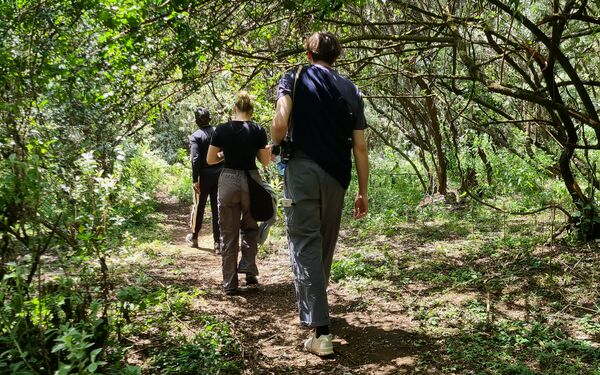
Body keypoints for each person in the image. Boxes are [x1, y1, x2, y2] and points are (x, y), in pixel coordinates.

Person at [272, 31, 369, 356]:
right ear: (336, 56)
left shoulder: (294, 76)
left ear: (308, 53)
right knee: (323, 245)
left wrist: (274, 144)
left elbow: (281, 123)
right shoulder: (351, 89)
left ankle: (321, 331)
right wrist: (363, 192)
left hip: (301, 171)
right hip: (337, 178)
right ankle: (319, 314)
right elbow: (360, 147)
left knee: (304, 242)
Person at [207, 91, 271, 295]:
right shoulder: (258, 130)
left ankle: (230, 284)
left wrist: (224, 154)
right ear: (251, 111)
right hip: (251, 180)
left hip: (227, 180)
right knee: (250, 227)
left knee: (228, 233)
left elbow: (210, 159)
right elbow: (265, 161)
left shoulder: (221, 129)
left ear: (234, 109)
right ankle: (249, 270)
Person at [186, 107, 223, 253]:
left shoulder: (195, 136)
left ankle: (194, 237)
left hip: (203, 176)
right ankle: (217, 243)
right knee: (216, 208)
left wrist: (195, 179)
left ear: (196, 121)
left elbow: (195, 159)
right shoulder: (217, 132)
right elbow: (222, 153)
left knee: (199, 206)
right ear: (209, 119)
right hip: (219, 173)